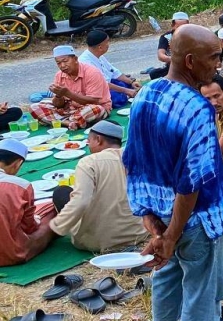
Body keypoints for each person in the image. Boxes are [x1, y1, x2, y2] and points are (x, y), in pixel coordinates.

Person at [123, 24, 223, 321]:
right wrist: (172, 235)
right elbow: (191, 183)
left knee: (167, 275)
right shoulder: (198, 109)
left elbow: (132, 159)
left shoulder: (147, 92)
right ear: (190, 61)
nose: (218, 64)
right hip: (194, 219)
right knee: (200, 292)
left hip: (160, 214)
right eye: (214, 57)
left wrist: (151, 220)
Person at [47, 121, 147, 251]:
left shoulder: (88, 162)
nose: (88, 146)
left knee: (62, 193)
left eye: (89, 141)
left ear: (98, 140)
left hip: (98, 241)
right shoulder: (137, 156)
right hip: (138, 234)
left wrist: (55, 227)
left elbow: (81, 201)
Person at [0, 138, 58, 266]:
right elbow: (29, 227)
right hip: (11, 253)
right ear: (18, 163)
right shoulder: (20, 185)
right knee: (50, 212)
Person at [30, 45, 111, 130]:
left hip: (94, 107)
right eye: (59, 63)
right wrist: (59, 95)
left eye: (65, 61)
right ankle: (69, 123)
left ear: (75, 59)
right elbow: (58, 105)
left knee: (94, 109)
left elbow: (94, 101)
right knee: (35, 107)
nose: (62, 65)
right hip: (69, 109)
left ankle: (60, 121)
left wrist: (68, 94)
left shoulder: (92, 72)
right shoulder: (59, 75)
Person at [79, 30, 141, 108]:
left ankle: (128, 93)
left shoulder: (98, 55)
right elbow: (103, 84)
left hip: (108, 83)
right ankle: (127, 95)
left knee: (126, 83)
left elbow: (113, 71)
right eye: (107, 42)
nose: (108, 45)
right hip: (97, 89)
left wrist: (131, 82)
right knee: (117, 98)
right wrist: (126, 91)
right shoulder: (85, 62)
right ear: (100, 47)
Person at [150, 12, 189, 80]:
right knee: (154, 74)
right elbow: (160, 55)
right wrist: (174, 60)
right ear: (173, 25)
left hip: (190, 68)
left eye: (184, 27)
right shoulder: (166, 37)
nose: (182, 29)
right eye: (179, 27)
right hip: (172, 68)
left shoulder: (194, 36)